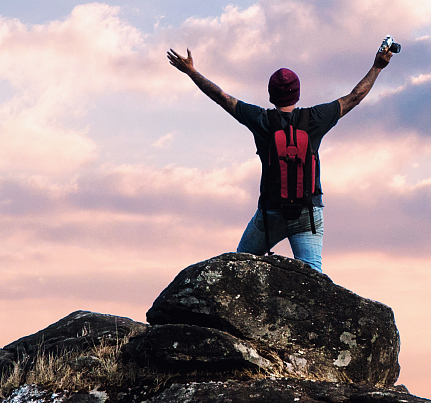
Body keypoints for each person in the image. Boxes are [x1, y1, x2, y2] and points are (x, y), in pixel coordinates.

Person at [165, 41, 396, 274]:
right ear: (298, 92)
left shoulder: (261, 120)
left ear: (270, 95)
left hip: (270, 214)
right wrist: (377, 66)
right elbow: (354, 97)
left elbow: (223, 98)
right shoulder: (316, 118)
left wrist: (192, 72)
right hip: (308, 212)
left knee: (239, 265)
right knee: (313, 277)